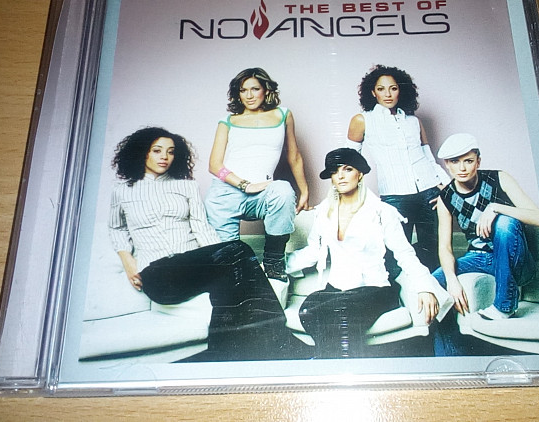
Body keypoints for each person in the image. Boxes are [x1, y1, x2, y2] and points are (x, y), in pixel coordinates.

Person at [108, 126, 305, 360]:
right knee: (239, 251)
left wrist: (223, 255)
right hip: (157, 274)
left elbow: (202, 228)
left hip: (193, 268)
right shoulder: (122, 191)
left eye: (170, 152)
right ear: (143, 152)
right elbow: (116, 228)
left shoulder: (186, 186)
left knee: (235, 261)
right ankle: (281, 339)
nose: (164, 157)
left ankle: (224, 351)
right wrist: (128, 261)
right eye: (157, 151)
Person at [286, 148, 451, 358]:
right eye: (335, 171)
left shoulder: (382, 212)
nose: (341, 176)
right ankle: (335, 363)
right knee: (308, 310)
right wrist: (277, 265)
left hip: (375, 290)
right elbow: (313, 251)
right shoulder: (325, 211)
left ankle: (334, 364)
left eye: (348, 169)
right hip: (336, 290)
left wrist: (424, 287)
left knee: (341, 315)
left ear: (360, 173)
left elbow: (405, 254)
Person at [431, 133, 539, 355]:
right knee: (433, 285)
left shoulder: (499, 178)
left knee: (505, 222)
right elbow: (445, 247)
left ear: (478, 161)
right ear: (447, 165)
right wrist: (452, 281)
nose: (462, 168)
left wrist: (496, 208)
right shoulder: (446, 198)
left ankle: (504, 306)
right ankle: (451, 359)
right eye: (455, 162)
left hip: (516, 259)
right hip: (480, 258)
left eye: (468, 161)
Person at [205, 67, 310, 282]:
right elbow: (215, 165)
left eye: (255, 89)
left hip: (263, 192)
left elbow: (294, 155)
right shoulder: (227, 121)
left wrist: (304, 191)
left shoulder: (283, 115)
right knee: (230, 266)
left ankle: (273, 262)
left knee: (283, 190)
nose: (249, 95)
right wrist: (245, 185)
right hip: (225, 193)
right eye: (243, 90)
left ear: (266, 90)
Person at [346, 65, 449, 271]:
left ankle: (435, 289)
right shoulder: (363, 120)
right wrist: (352, 195)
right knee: (393, 259)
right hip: (395, 196)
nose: (388, 94)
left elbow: (428, 159)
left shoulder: (413, 121)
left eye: (393, 88)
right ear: (372, 92)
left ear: (401, 90)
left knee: (433, 254)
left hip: (428, 192)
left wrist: (447, 189)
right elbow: (349, 161)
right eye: (381, 89)